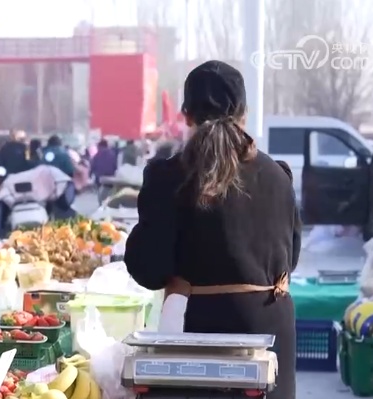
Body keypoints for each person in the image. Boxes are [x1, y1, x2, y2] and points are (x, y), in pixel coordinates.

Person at [124, 61, 300, 399]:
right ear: (244, 115)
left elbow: (148, 268)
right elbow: (289, 259)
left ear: (186, 116)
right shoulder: (279, 176)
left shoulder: (168, 176)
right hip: (270, 338)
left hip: (199, 339)